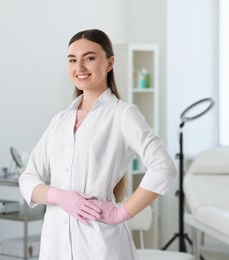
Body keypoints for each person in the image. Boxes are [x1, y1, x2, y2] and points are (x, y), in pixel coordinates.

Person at [19, 29, 177, 260]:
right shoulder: (60, 121)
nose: (79, 67)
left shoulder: (123, 115)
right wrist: (60, 196)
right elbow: (28, 177)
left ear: (110, 62)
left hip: (100, 245)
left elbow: (163, 167)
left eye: (89, 58)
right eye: (73, 60)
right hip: (55, 245)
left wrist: (121, 213)